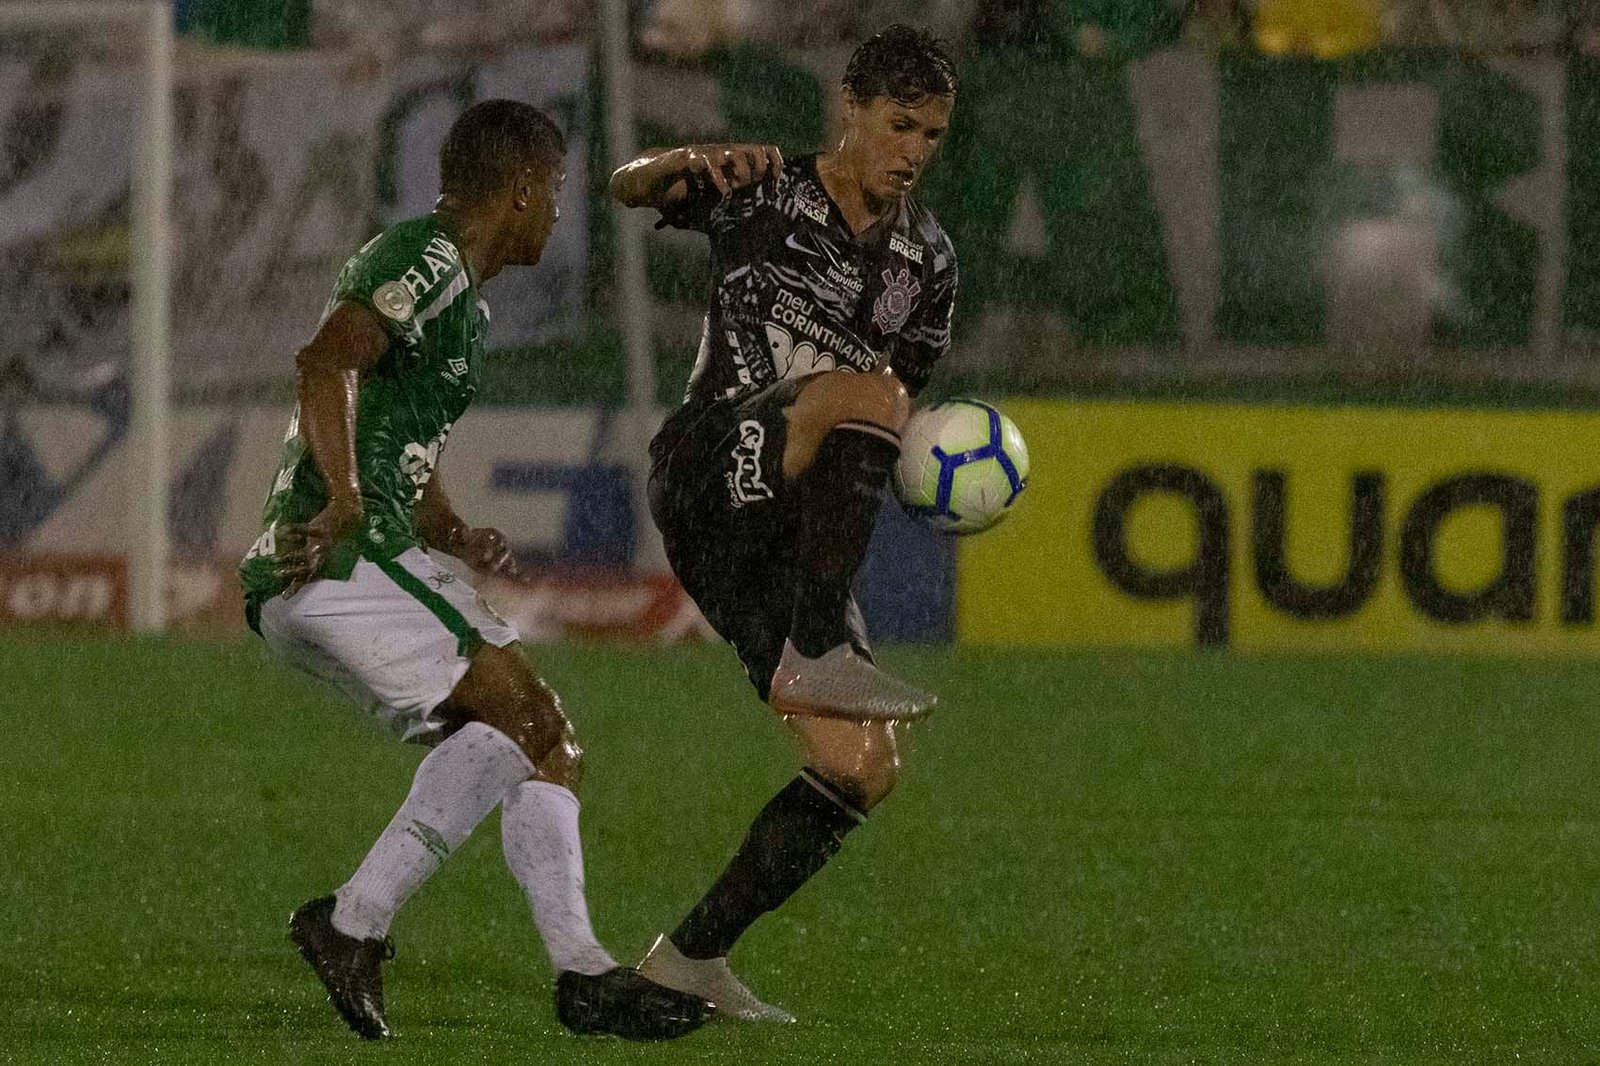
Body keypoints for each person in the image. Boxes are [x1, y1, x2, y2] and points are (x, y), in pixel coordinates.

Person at [238, 99, 711, 1042]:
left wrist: (450, 528)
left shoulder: (461, 296)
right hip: (344, 558)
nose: (557, 215)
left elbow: (395, 440)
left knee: (533, 744)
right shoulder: (423, 258)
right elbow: (324, 361)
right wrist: (341, 505)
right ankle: (367, 929)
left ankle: (559, 964)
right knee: (529, 723)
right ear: (525, 189)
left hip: (367, 556)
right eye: (557, 194)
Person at [608, 25, 958, 1022]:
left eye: (931, 134)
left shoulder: (925, 261)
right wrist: (673, 163)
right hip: (707, 461)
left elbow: (891, 414)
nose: (913, 150)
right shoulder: (761, 185)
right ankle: (817, 647)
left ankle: (686, 960)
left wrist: (927, 469)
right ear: (849, 106)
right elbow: (626, 187)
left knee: (860, 768)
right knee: (864, 389)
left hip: (778, 526)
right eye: (898, 124)